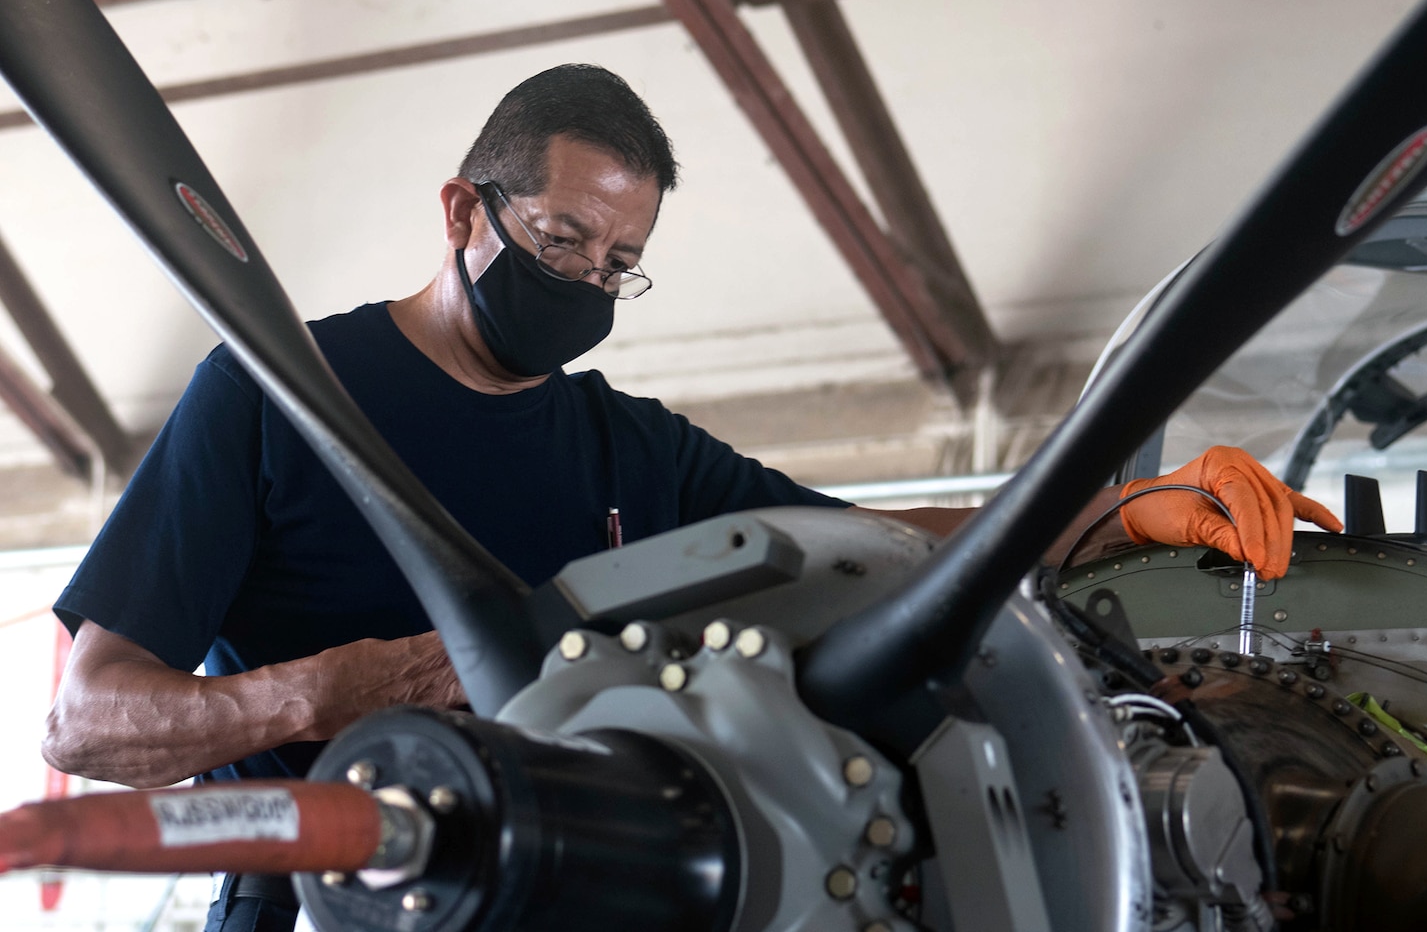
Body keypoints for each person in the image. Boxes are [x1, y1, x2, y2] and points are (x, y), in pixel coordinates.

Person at [42, 64, 1339, 932]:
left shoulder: (631, 452)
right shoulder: (272, 393)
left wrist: (1116, 510)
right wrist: (342, 690)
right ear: (462, 209)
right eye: (560, 243)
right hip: (343, 896)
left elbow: (884, 556)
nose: (587, 286)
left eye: (619, 267)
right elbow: (88, 724)